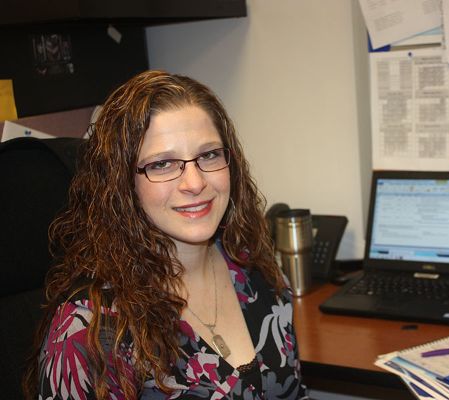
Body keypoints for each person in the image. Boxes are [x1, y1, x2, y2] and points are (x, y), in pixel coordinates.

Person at [23, 70, 308, 399]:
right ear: (122, 184)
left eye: (209, 155)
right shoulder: (88, 328)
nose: (195, 183)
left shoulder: (258, 271)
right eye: (162, 164)